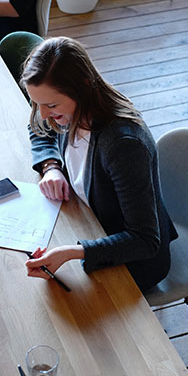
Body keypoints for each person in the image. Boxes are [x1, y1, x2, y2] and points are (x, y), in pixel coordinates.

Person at [21, 37, 178, 293]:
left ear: (82, 87)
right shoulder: (67, 106)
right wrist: (51, 166)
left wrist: (74, 252)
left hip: (132, 260)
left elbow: (145, 240)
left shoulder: (123, 145)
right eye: (37, 103)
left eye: (51, 105)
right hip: (87, 221)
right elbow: (39, 127)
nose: (43, 113)